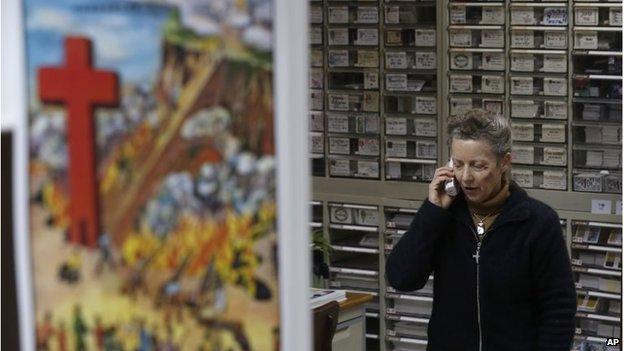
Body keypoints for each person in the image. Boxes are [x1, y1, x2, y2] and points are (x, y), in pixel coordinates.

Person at [386, 109, 576, 351]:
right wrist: (432, 212)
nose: (465, 178)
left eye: (478, 166)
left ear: (504, 162)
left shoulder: (537, 222)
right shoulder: (444, 216)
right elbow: (402, 278)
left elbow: (558, 308)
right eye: (458, 164)